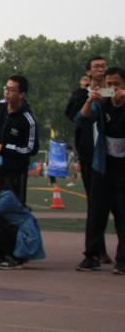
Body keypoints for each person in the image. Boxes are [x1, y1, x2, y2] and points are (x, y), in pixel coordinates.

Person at [72, 66, 125, 273]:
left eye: (117, 84)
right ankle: (92, 255)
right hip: (103, 164)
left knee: (122, 211)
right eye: (108, 84)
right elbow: (80, 119)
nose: (113, 88)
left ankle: (123, 259)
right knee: (96, 211)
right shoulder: (101, 104)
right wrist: (89, 100)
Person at [66, 56, 112, 264]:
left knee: (117, 205)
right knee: (95, 205)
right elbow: (72, 115)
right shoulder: (82, 94)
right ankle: (97, 250)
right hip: (89, 157)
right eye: (96, 66)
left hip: (112, 157)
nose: (100, 69)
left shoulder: (112, 92)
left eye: (103, 66)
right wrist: (83, 92)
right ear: (88, 72)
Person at [0, 75, 38, 204]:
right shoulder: (0, 106)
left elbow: (31, 148)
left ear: (21, 94)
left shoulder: (27, 119)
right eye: (6, 88)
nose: (7, 92)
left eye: (11, 90)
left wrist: (4, 149)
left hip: (16, 172)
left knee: (14, 208)